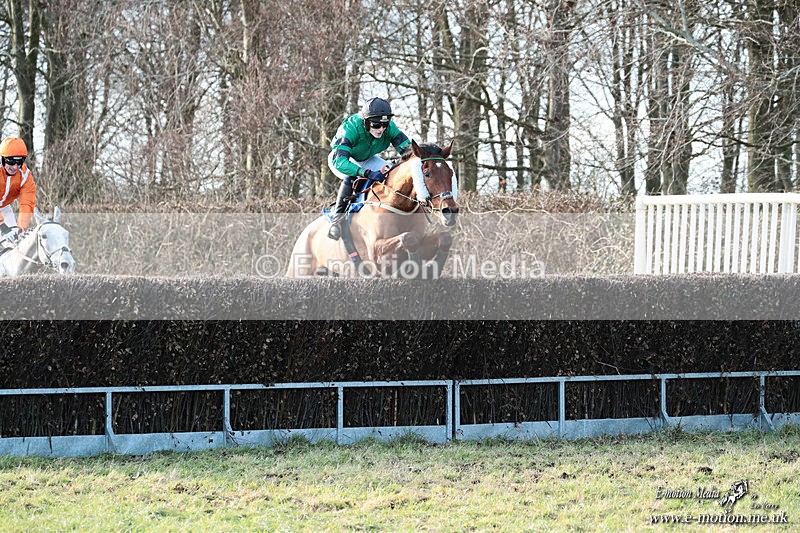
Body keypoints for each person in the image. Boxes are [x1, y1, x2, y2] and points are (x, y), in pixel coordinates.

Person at [327, 97, 411, 240]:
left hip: (367, 158)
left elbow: (409, 152)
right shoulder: (350, 128)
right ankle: (337, 221)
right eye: (376, 125)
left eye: (385, 125)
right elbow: (339, 161)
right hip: (343, 159)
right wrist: (365, 173)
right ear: (365, 121)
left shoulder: (389, 128)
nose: (381, 129)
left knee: (392, 173)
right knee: (352, 177)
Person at [0, 137, 36, 243]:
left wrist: (21, 228)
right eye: (11, 162)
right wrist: (2, 225)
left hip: (4, 208)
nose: (15, 167)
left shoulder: (25, 176)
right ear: (2, 159)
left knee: (15, 241)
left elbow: (27, 203)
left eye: (19, 162)